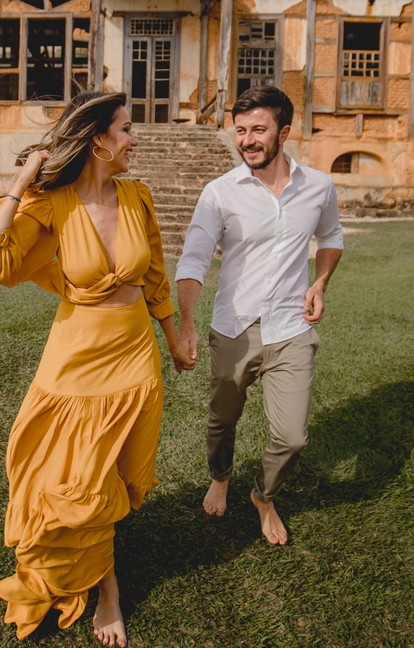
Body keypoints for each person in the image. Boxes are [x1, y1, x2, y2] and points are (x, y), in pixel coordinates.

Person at [0, 90, 194, 647]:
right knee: (60, 476)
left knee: (100, 477)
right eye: (126, 129)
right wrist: (22, 183)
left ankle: (108, 594)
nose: (134, 139)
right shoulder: (52, 203)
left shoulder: (138, 197)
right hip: (73, 357)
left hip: (131, 356)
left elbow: (153, 275)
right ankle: (76, 572)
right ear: (98, 140)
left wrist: (177, 341)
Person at [174, 85, 344, 545]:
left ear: (284, 132)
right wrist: (186, 322)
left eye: (258, 130)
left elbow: (331, 238)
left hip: (292, 327)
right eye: (241, 130)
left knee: (292, 438)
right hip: (233, 327)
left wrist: (320, 283)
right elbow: (193, 260)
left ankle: (263, 496)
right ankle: (220, 476)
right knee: (222, 421)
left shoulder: (319, 187)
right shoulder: (219, 193)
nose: (247, 140)